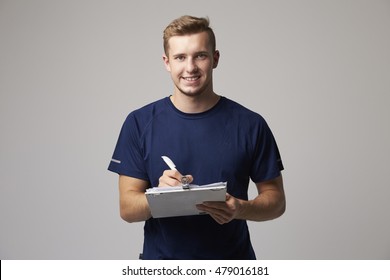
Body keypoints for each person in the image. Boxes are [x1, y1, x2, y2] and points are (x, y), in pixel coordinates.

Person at [108, 15, 285, 260]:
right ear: (166, 62)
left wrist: (241, 208)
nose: (190, 67)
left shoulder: (250, 124)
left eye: (200, 55)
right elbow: (127, 209)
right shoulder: (139, 123)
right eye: (180, 57)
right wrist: (160, 196)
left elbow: (276, 201)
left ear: (215, 59)